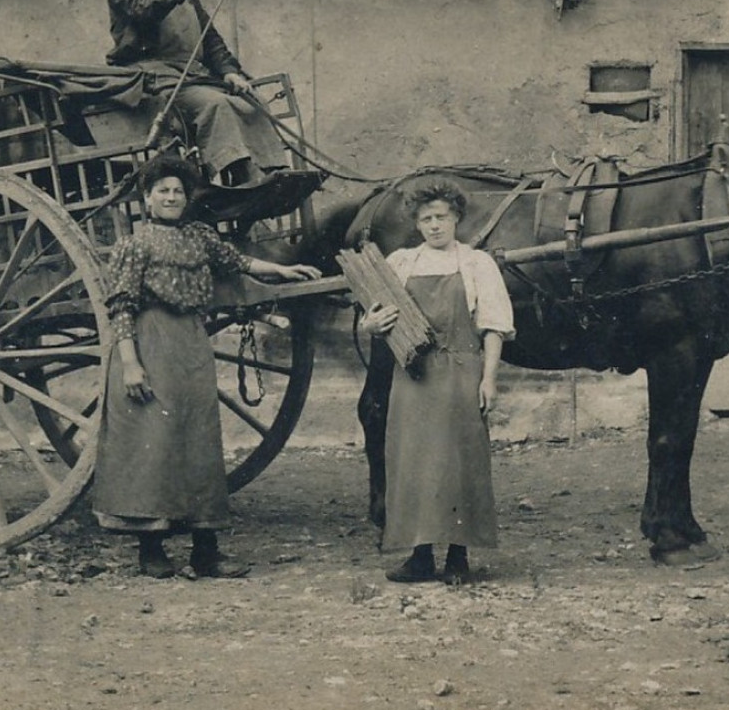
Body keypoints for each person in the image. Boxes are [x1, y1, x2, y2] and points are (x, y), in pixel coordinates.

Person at [95, 154, 322, 578]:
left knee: (200, 439)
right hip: (150, 339)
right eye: (162, 191)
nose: (171, 197)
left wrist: (283, 270)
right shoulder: (135, 244)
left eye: (178, 191)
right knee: (154, 439)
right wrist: (130, 364)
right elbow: (121, 306)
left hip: (191, 344)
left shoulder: (199, 237)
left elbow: (240, 263)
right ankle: (151, 549)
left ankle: (206, 551)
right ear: (147, 199)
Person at [360, 179, 516, 586]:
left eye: (441, 217)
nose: (434, 225)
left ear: (456, 218)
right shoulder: (400, 263)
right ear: (416, 223)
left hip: (462, 371)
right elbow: (372, 317)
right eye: (426, 218)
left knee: (460, 462)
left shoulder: (477, 264)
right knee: (412, 462)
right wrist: (372, 323)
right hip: (413, 375)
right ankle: (420, 556)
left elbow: (494, 328)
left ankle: (459, 557)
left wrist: (490, 380)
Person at [107, 0, 288, 190]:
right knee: (214, 105)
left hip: (192, 75)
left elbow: (209, 38)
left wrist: (230, 72)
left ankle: (273, 172)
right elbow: (144, 11)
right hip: (154, 78)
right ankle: (245, 180)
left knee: (253, 102)